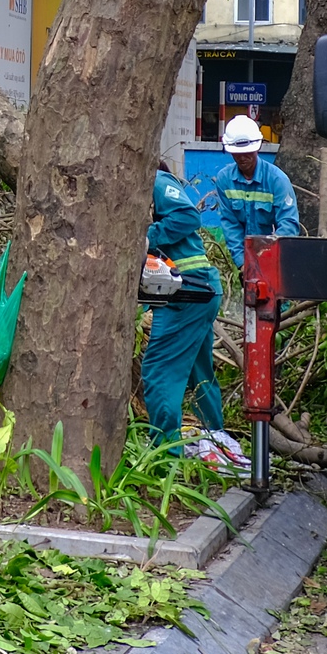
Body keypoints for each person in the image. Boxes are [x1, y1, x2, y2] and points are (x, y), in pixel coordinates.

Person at [139, 163, 228, 448]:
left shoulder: (155, 179)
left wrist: (146, 238)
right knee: (199, 372)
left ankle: (164, 453)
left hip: (186, 293)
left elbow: (189, 216)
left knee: (158, 372)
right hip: (199, 290)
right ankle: (216, 439)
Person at [210, 113, 300, 267]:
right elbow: (231, 225)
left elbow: (289, 225)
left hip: (275, 258)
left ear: (258, 148)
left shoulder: (277, 180)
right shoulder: (225, 180)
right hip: (245, 259)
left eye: (247, 152)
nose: (243, 157)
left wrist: (265, 257)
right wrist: (242, 263)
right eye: (238, 154)